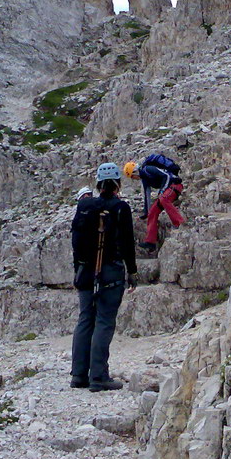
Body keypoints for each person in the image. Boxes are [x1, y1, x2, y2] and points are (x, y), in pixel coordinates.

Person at [70, 162, 137, 392]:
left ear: (98, 183)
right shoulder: (120, 208)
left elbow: (75, 241)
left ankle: (78, 375)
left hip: (85, 271)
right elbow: (128, 244)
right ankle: (99, 376)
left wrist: (78, 270)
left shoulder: (85, 206)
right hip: (110, 271)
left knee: (85, 319)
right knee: (104, 321)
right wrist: (133, 272)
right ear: (118, 182)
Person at [123, 156, 185, 254]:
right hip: (167, 189)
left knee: (164, 199)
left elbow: (167, 176)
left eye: (132, 176)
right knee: (153, 212)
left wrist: (162, 191)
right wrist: (146, 212)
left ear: (134, 172)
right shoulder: (145, 178)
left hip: (174, 185)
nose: (134, 179)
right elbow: (147, 195)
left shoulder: (148, 169)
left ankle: (180, 223)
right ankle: (150, 242)